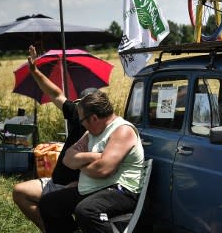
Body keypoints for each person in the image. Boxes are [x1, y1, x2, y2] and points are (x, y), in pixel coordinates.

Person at [12, 45, 94, 233]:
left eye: (88, 107)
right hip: (55, 183)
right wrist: (34, 71)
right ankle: (51, 229)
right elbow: (56, 94)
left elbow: (103, 165)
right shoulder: (75, 113)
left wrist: (81, 183)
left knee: (52, 207)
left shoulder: (105, 130)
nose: (82, 110)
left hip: (75, 188)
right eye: (81, 105)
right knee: (20, 192)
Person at [38, 90, 145, 233]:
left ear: (94, 118)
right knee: (48, 203)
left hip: (121, 191)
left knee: (87, 211)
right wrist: (95, 157)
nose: (82, 125)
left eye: (82, 120)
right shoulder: (91, 132)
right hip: (95, 188)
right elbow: (67, 159)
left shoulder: (122, 131)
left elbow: (103, 170)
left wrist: (81, 163)